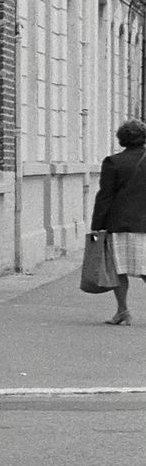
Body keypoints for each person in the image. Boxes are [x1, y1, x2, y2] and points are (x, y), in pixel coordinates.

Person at [97, 117, 146, 327]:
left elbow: (105, 195)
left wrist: (97, 223)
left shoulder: (113, 162)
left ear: (121, 139)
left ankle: (123, 310)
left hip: (120, 223)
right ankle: (122, 312)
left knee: (119, 269)